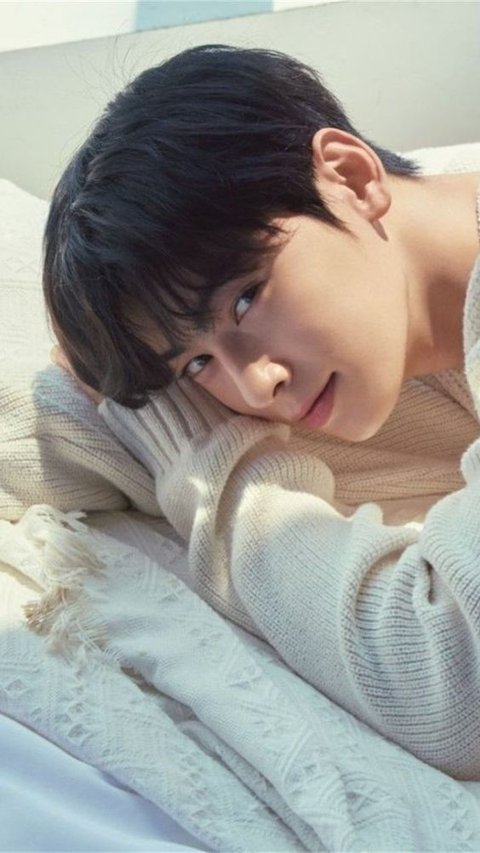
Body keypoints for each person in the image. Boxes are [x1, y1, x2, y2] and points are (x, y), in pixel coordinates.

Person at [45, 45, 480, 779]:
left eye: (246, 299)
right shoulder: (361, 350)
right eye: (195, 363)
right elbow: (52, 433)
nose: (254, 387)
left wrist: (220, 467)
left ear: (351, 177)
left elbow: (451, 686)